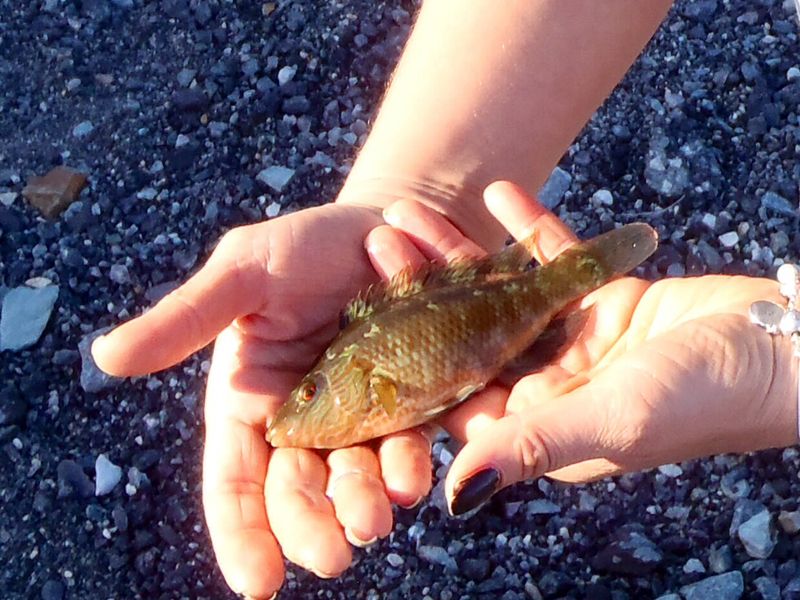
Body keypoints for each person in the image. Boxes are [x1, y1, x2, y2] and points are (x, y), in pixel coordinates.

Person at [89, 2, 798, 598]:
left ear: (346, 384)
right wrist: (419, 192)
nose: (295, 408)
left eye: (310, 394)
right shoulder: (356, 372)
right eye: (305, 394)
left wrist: (779, 379)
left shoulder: (362, 380)